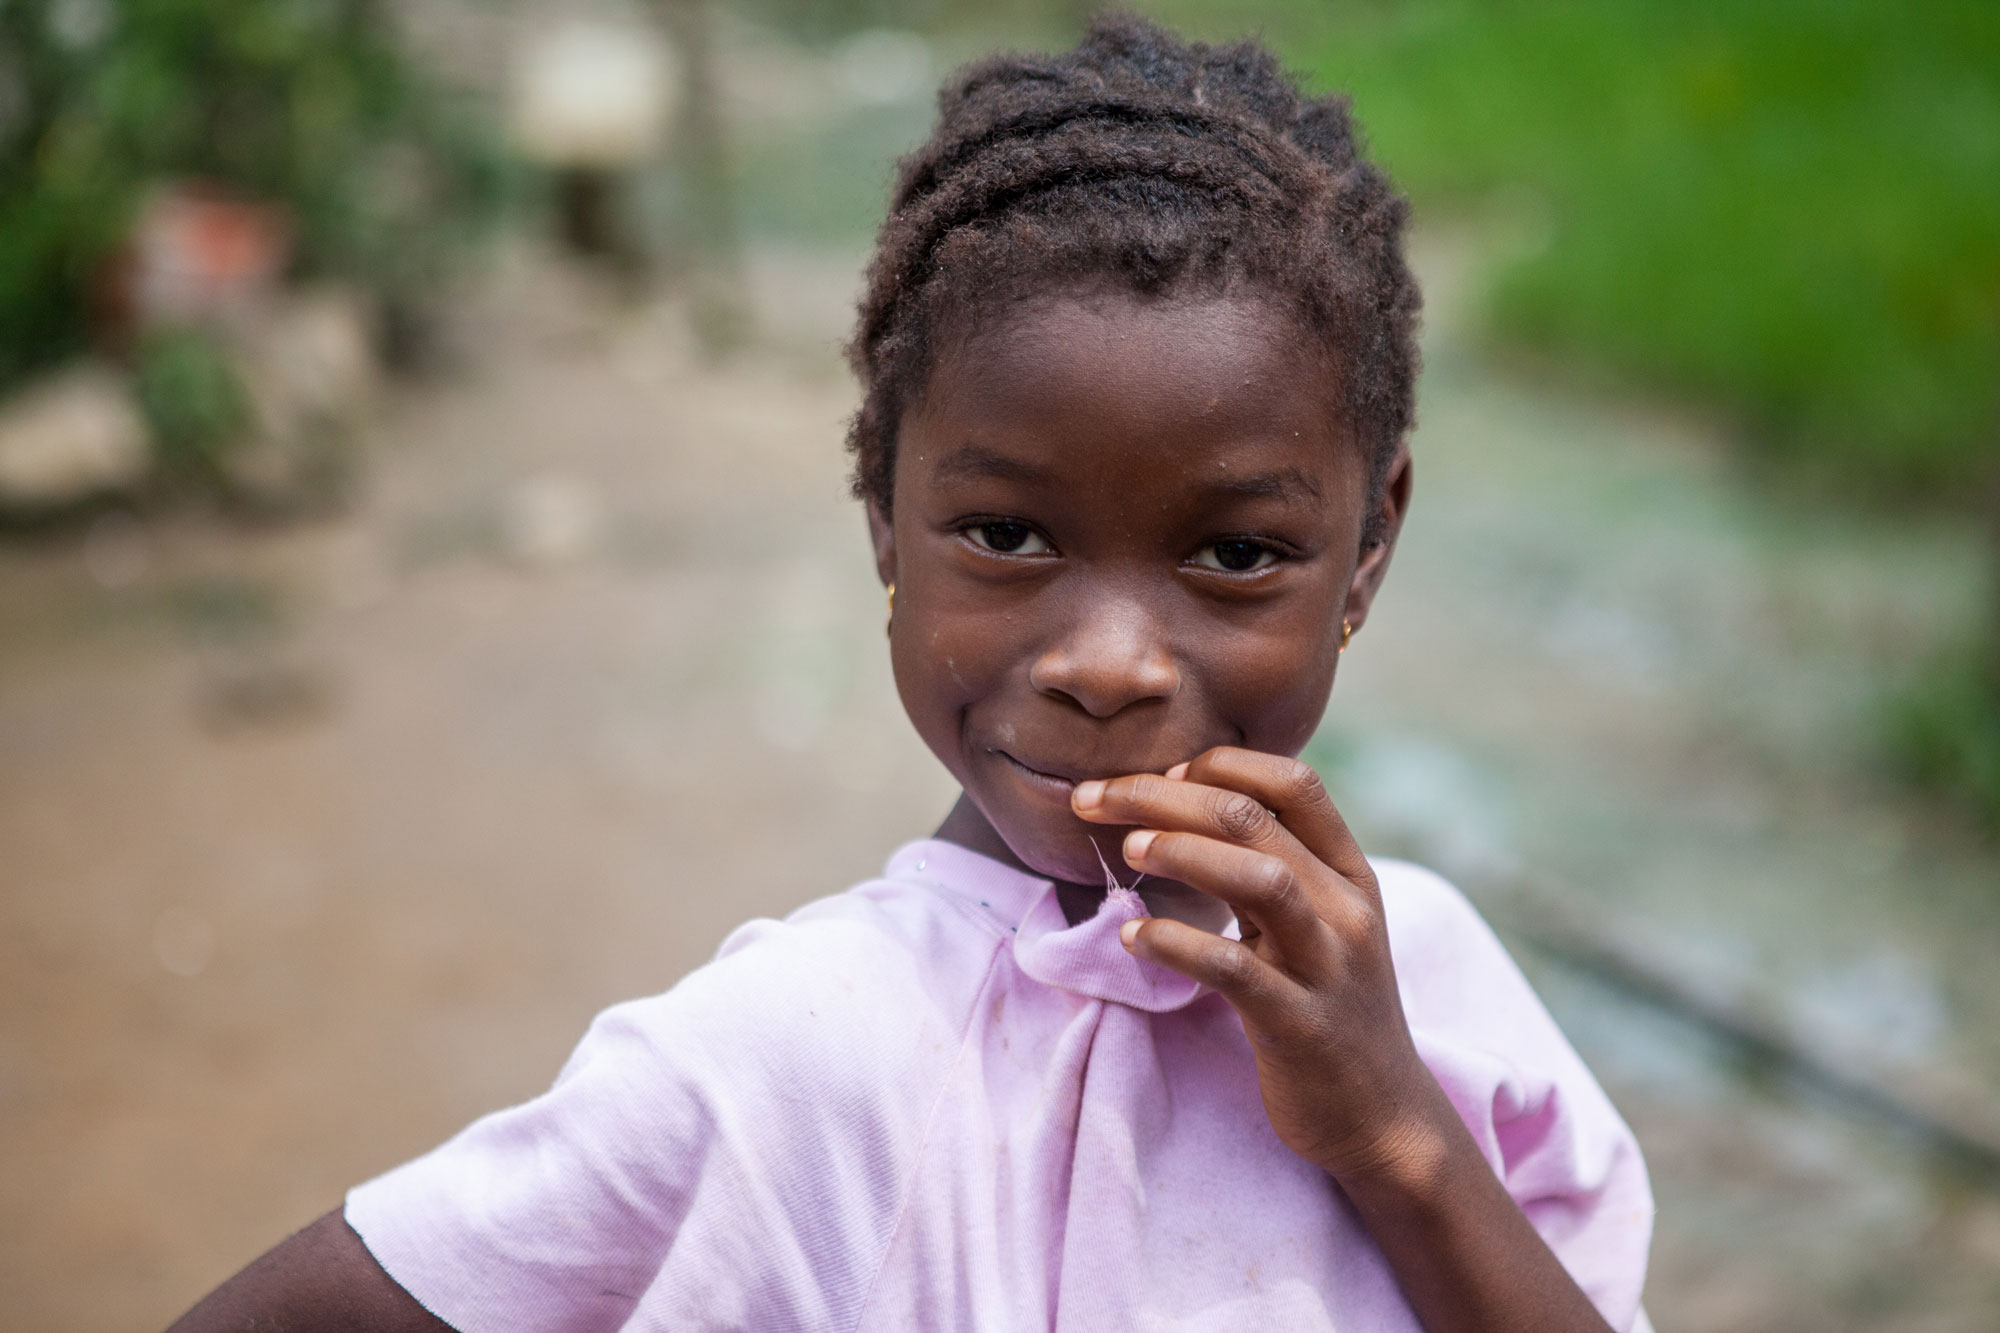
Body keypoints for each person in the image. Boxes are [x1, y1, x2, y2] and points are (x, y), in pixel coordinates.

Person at [170, 17, 1652, 1332]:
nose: (1109, 667)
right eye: (1007, 535)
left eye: (1235, 554)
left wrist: (1397, 1135)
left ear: (1371, 545)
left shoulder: (1435, 987)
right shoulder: (788, 1062)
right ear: (884, 510)